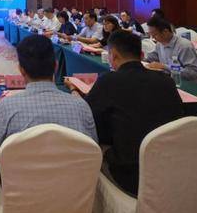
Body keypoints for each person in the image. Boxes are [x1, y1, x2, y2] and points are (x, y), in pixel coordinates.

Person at [69, 30, 183, 195]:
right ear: (141, 55)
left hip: (130, 174)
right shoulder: (167, 81)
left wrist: (74, 91)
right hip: (169, 167)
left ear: (113, 56)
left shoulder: (109, 81)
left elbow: (88, 120)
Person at [0, 35, 97, 163]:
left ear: (21, 70)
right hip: (74, 175)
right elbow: (93, 152)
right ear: (56, 66)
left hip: (23, 175)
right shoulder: (81, 106)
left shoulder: (6, 106)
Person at [145, 16, 197, 83]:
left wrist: (165, 67)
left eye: (155, 35)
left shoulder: (184, 46)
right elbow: (152, 57)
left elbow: (193, 73)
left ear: (165, 32)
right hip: (170, 79)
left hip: (188, 83)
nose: (153, 38)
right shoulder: (160, 44)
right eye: (151, 35)